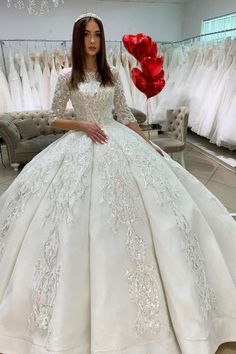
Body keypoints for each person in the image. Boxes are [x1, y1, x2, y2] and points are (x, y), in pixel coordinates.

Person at [0, 12, 236, 354]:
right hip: (81, 144)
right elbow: (53, 116)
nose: (92, 40)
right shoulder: (67, 75)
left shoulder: (112, 77)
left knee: (156, 213)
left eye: (97, 34)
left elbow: (124, 115)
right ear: (78, 39)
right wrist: (82, 125)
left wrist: (147, 143)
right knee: (66, 222)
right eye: (86, 34)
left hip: (118, 142)